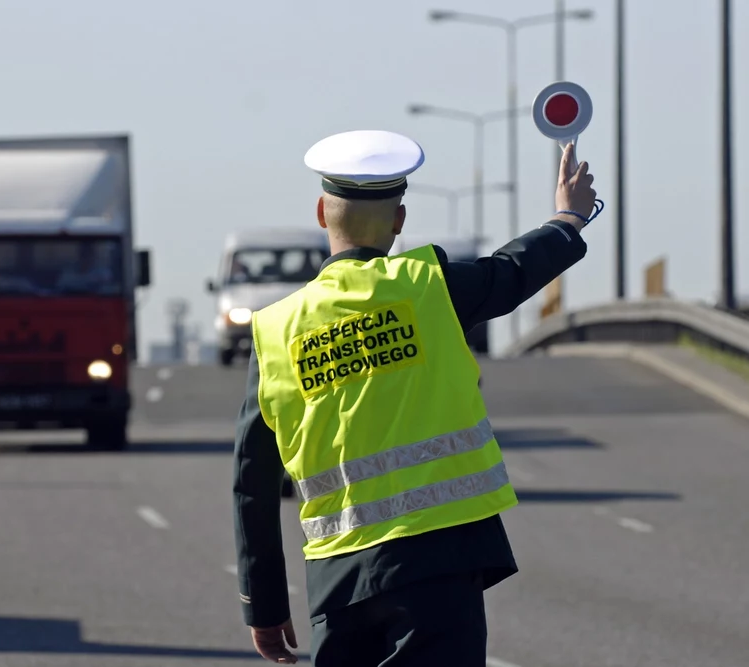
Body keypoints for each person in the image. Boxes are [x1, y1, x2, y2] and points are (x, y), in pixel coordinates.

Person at [232, 129, 598, 666]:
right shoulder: (429, 288)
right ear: (399, 221)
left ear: (320, 213)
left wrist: (262, 606)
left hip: (338, 582)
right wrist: (568, 218)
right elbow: (512, 271)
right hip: (439, 566)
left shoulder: (275, 331)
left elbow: (252, 480)